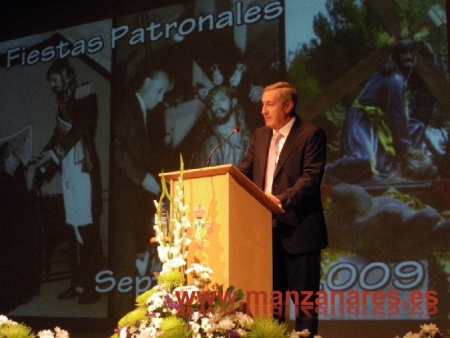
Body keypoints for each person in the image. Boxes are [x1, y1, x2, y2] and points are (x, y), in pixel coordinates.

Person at [238, 82, 328, 335]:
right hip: (265, 236)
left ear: (288, 106)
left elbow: (310, 178)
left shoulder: (311, 134)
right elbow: (243, 173)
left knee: (305, 309)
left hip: (301, 233)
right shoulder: (260, 136)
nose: (263, 111)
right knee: (272, 309)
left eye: (269, 104)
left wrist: (281, 200)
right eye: (262, 105)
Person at [324, 39, 438, 185]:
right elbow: (396, 117)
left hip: (379, 122)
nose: (408, 56)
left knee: (417, 126)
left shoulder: (400, 78)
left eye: (411, 52)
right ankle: (331, 171)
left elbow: (400, 117)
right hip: (362, 120)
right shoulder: (394, 79)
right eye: (404, 53)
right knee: (364, 160)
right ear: (396, 55)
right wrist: (407, 148)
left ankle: (400, 169)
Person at [36, 58, 103, 305]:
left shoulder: (84, 91)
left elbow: (81, 127)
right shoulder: (63, 101)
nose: (53, 86)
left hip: (83, 169)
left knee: (86, 228)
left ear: (64, 75)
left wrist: (55, 152)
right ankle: (77, 283)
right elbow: (58, 135)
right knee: (73, 228)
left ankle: (93, 287)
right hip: (68, 170)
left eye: (55, 80)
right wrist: (44, 157)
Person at [111, 64, 172, 319]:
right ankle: (118, 325)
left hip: (133, 205)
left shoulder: (142, 111)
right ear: (146, 82)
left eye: (163, 95)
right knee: (123, 269)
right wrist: (142, 177)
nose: (160, 99)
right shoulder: (127, 107)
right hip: (123, 204)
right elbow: (117, 149)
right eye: (158, 91)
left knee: (131, 268)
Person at [0, 142, 41, 313]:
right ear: (6, 159)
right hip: (10, 238)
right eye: (14, 154)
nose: (17, 156)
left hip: (11, 236)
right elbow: (22, 209)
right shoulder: (4, 181)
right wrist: (30, 181)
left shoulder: (10, 178)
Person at [189, 84, 252, 168]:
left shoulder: (249, 139)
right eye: (212, 102)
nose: (217, 105)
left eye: (222, 99)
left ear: (233, 101)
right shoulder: (211, 145)